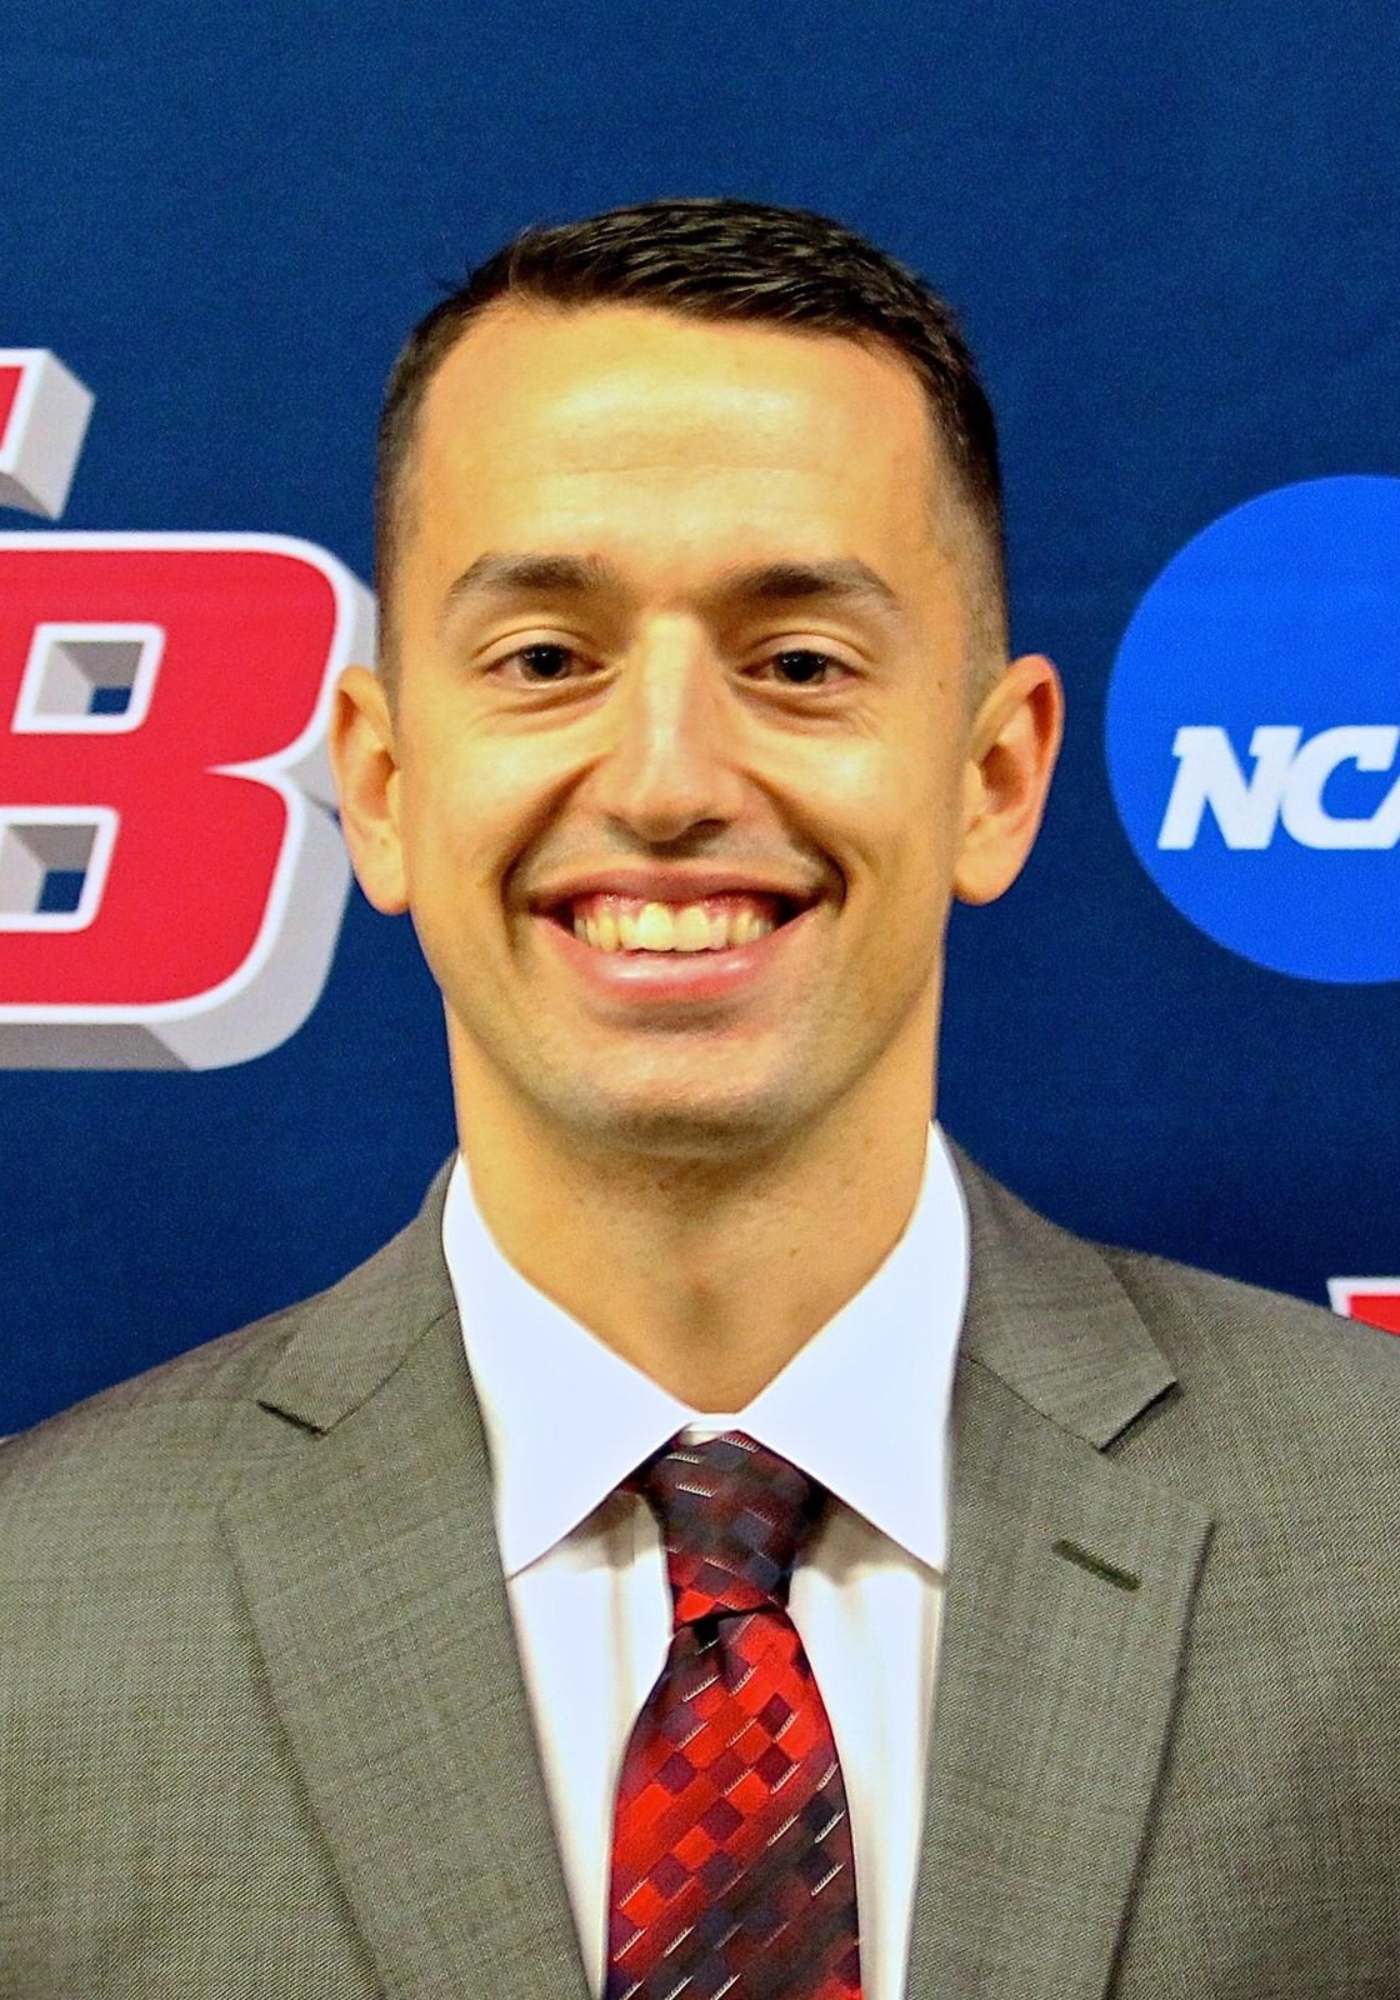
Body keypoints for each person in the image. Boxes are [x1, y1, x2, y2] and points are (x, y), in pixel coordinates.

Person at [2, 198, 1397, 2000]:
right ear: (385, 786)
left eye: (799, 662)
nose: (667, 781)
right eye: (545, 660)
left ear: (993, 776)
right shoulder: (38, 1619)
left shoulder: (1370, 1529)